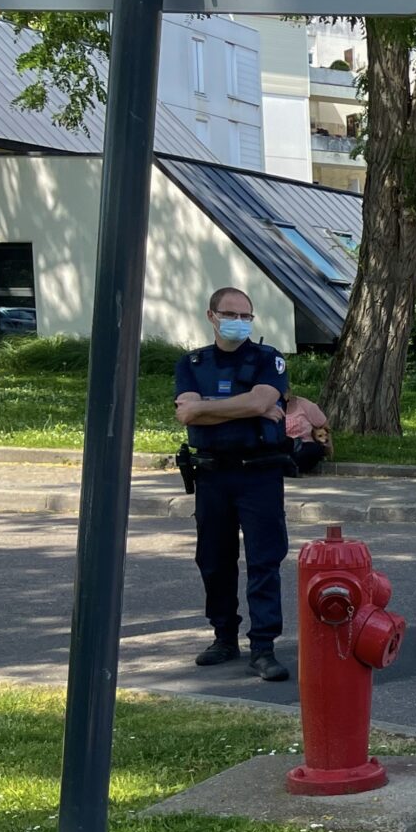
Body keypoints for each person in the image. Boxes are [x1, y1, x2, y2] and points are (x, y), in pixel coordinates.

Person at [173, 286, 294, 682]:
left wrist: (205, 407)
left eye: (246, 316)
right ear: (212, 316)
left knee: (264, 560)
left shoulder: (268, 359)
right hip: (212, 474)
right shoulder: (192, 363)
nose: (239, 322)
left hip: (259, 472)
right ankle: (224, 637)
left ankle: (263, 647)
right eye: (231, 314)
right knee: (213, 560)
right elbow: (187, 416)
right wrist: (241, 408)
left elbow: (260, 401)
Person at [282, 392, 331, 475]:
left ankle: (290, 467)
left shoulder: (306, 405)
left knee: (314, 450)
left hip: (304, 444)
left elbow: (325, 426)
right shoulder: (270, 406)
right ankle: (288, 467)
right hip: (285, 444)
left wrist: (329, 449)